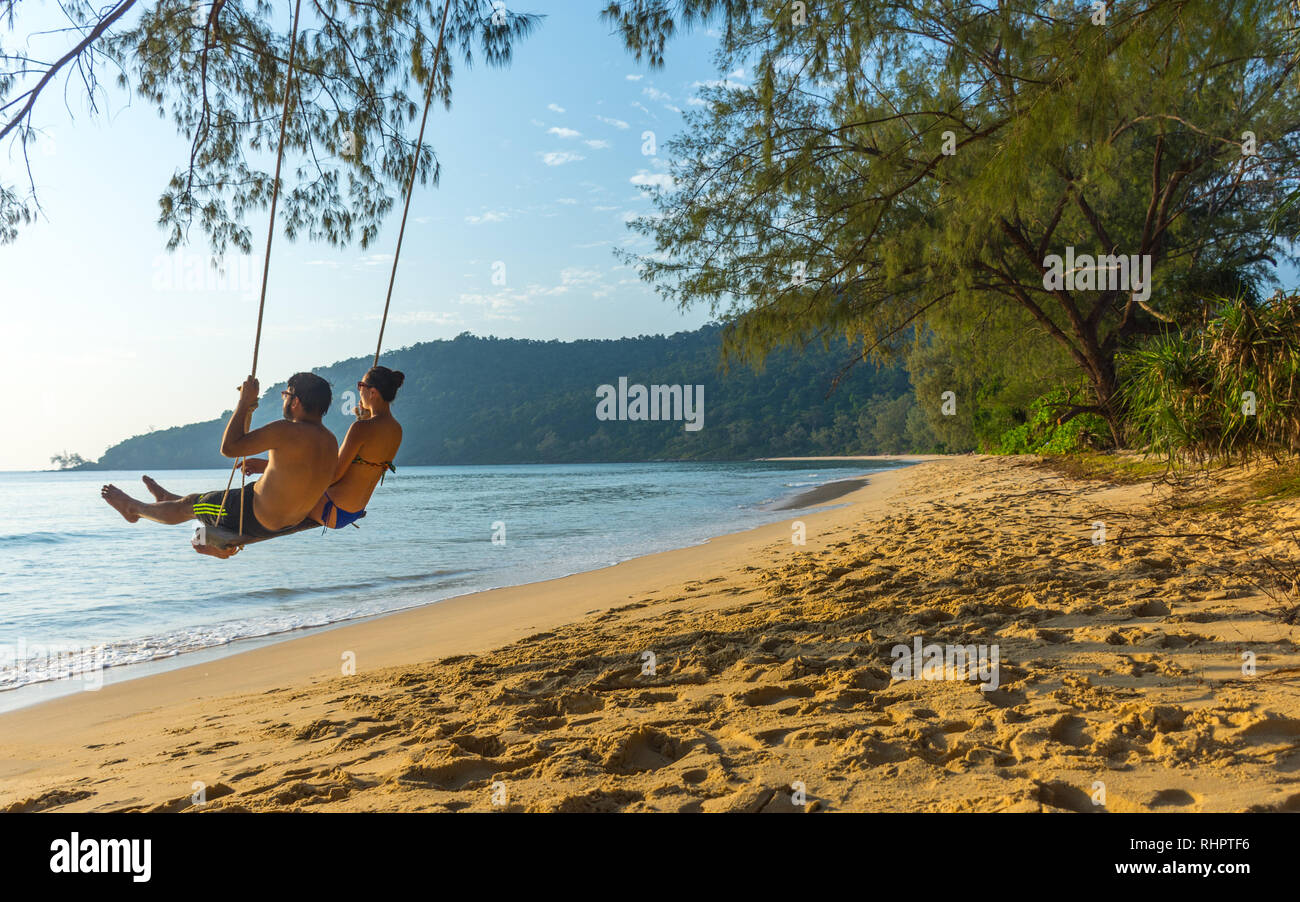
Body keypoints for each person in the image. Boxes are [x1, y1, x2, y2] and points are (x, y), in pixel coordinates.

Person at [101, 373, 339, 558]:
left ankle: (134, 510)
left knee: (189, 505)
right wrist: (266, 466)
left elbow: (230, 448)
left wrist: (244, 402)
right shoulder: (329, 440)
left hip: (254, 517)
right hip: (289, 520)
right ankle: (166, 499)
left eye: (285, 395)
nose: (284, 400)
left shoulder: (287, 430)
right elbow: (302, 473)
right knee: (203, 503)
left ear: (295, 401)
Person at [296, 365, 404, 529]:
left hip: (331, 509)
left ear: (373, 392)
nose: (359, 391)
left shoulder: (361, 428)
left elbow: (334, 476)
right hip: (354, 510)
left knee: (283, 489)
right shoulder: (397, 430)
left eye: (361, 386)